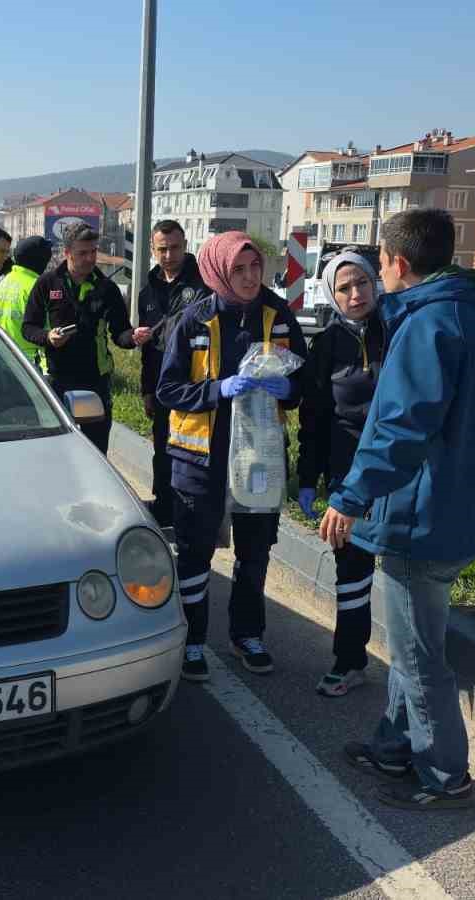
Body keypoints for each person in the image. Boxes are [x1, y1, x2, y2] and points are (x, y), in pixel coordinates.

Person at [317, 208, 475, 811]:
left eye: (379, 263)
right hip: (454, 507)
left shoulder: (428, 326)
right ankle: (396, 747)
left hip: (418, 517)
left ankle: (446, 774)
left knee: (421, 657)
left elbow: (401, 426)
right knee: (409, 643)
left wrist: (350, 496)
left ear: (396, 263)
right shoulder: (473, 316)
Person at [155, 231, 306, 682]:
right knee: (196, 555)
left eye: (255, 267)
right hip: (200, 461)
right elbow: (168, 388)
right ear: (219, 269)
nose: (248, 277)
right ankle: (192, 641)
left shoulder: (278, 314)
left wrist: (290, 388)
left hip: (259, 460)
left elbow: (305, 380)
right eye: (238, 269)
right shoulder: (193, 320)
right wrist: (216, 390)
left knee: (254, 554)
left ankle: (247, 636)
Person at [297, 249, 388, 697]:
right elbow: (313, 418)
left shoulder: (398, 330)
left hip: (397, 470)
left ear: (376, 283)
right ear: (332, 295)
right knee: (351, 569)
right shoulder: (326, 345)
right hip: (346, 472)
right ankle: (350, 659)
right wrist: (306, 477)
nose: (356, 295)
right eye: (344, 288)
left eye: (363, 284)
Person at [22, 225, 145, 452]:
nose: (90, 259)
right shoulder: (47, 284)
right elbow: (28, 328)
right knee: (57, 452)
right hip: (56, 381)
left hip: (95, 382)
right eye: (83, 253)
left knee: (96, 452)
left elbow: (120, 333)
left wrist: (133, 337)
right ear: (67, 253)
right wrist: (48, 337)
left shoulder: (107, 289)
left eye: (93, 252)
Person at [136, 219, 205, 528]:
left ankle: (190, 514)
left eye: (174, 247)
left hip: (194, 385)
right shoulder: (147, 291)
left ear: (185, 246)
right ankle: (164, 509)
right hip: (162, 386)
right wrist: (146, 390)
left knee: (190, 455)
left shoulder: (203, 285)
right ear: (153, 249)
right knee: (162, 451)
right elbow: (147, 349)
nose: (168, 255)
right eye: (162, 249)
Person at [0, 236, 53, 370]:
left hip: (2, 357)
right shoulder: (36, 286)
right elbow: (48, 329)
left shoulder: (4, 281)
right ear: (40, 259)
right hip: (30, 365)